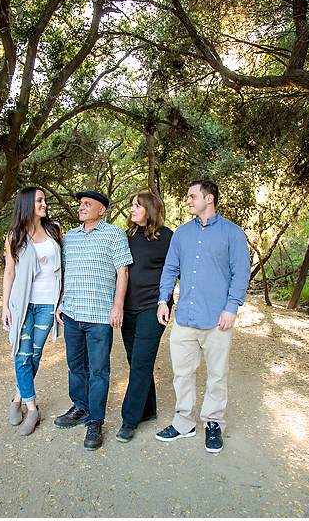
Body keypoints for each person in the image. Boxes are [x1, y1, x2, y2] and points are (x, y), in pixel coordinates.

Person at [155, 179, 250, 453]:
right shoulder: (181, 235)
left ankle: (213, 423)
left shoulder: (233, 233)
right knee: (181, 374)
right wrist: (164, 301)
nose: (188, 200)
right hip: (185, 317)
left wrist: (232, 308)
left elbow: (241, 273)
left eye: (192, 196)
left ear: (209, 198)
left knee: (217, 375)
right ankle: (184, 422)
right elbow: (170, 270)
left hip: (218, 319)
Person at [54, 190, 133, 450]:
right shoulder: (70, 238)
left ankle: (95, 421)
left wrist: (117, 307)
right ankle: (80, 406)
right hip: (73, 313)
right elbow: (65, 273)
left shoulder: (114, 234)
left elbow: (122, 273)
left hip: (100, 316)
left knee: (99, 371)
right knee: (76, 366)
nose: (81, 207)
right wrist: (60, 303)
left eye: (88, 204)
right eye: (80, 204)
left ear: (102, 210)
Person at [1, 186, 63, 436]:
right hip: (22, 303)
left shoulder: (53, 229)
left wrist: (61, 301)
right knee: (21, 353)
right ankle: (33, 408)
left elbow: (63, 267)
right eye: (39, 200)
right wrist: (5, 305)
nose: (44, 204)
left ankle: (17, 399)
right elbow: (9, 272)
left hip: (48, 303)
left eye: (44, 200)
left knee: (34, 355)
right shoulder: (14, 235)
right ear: (27, 203)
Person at [116, 192, 174, 443]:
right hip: (128, 307)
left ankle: (129, 420)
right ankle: (148, 409)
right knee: (134, 359)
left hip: (154, 306)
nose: (132, 209)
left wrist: (166, 301)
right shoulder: (126, 236)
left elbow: (175, 271)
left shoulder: (168, 237)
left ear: (149, 209)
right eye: (131, 205)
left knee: (141, 360)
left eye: (137, 206)